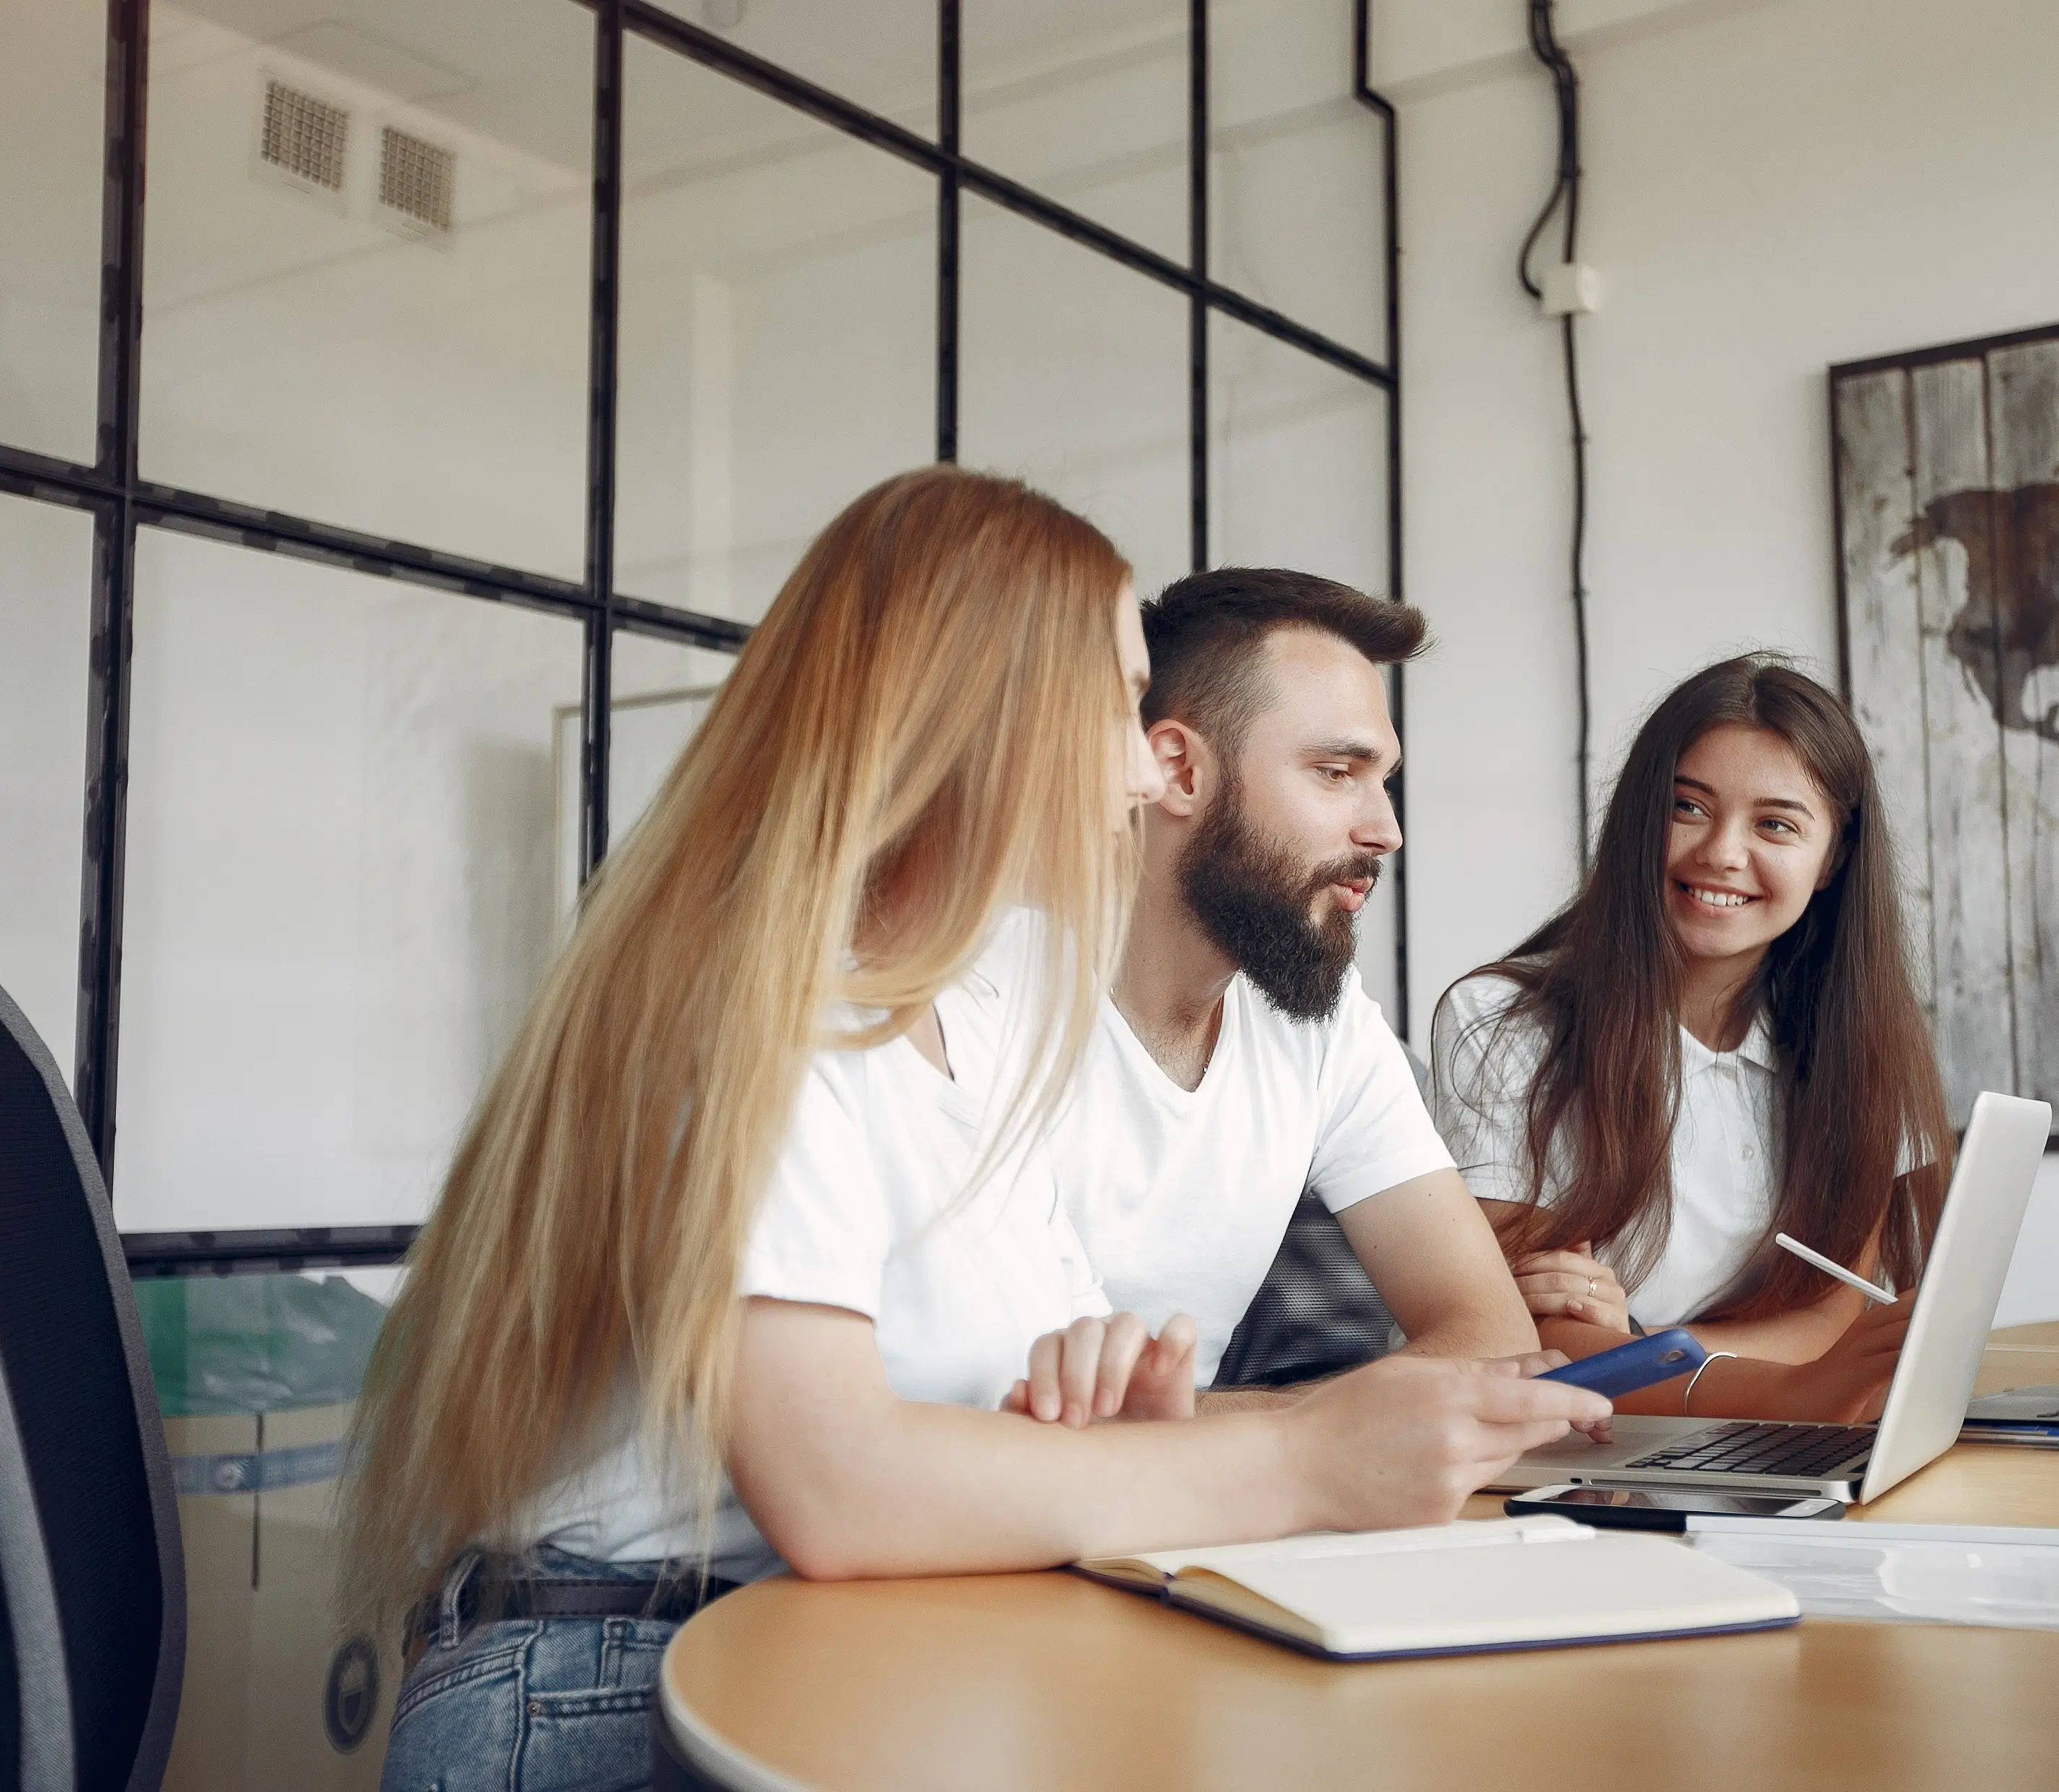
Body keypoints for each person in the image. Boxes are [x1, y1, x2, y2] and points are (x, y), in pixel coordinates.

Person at [345, 469, 1607, 1792]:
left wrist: (1122, 1420)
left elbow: (1001, 1434)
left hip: (811, 1650)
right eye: (1120, 706)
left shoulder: (979, 1035)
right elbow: (834, 1479)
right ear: (982, 714)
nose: (1144, 766)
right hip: (600, 1685)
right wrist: (1296, 1454)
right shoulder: (761, 997)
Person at [1028, 569, 1538, 1416]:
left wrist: (1236, 1430)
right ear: (1180, 772)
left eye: (1384, 781)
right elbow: (1025, 1402)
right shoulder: (990, 995)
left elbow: (1495, 1344)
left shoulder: (1322, 1024)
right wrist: (1301, 1433)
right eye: (1337, 772)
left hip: (1175, 1511)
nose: (1385, 830)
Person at [1429, 653, 1950, 1422]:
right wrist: (1781, 1377)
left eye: (1775, 823)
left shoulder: (1862, 1043)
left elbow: (1831, 1318)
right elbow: (1536, 1335)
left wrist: (1644, 1342)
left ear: (1834, 856)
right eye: (1688, 807)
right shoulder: (1500, 1022)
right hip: (1559, 1448)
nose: (1721, 853)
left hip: (1749, 1433)